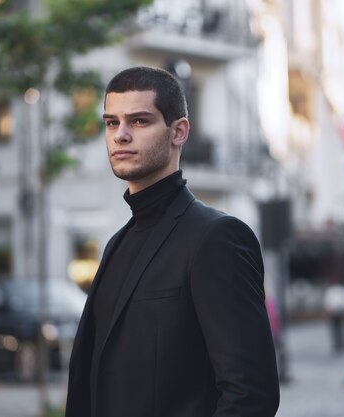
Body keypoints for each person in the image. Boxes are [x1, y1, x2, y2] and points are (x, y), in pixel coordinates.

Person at [65, 66, 280, 417]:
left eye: (138, 121)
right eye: (111, 122)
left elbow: (251, 395)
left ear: (178, 131)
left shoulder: (217, 238)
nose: (120, 135)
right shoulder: (116, 244)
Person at [322, 278, 344, 355]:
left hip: (339, 310)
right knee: (336, 328)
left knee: (339, 328)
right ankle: (338, 343)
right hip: (335, 311)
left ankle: (340, 343)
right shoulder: (333, 290)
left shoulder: (336, 290)